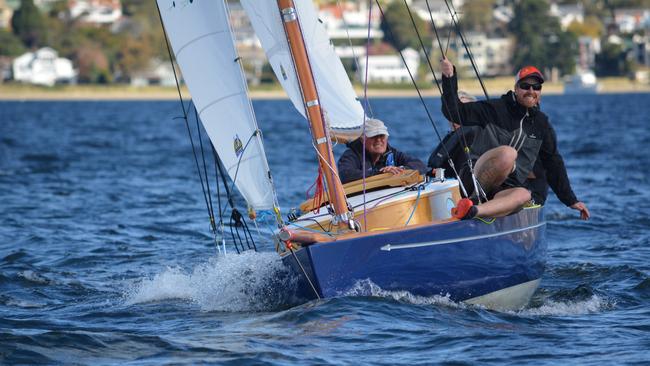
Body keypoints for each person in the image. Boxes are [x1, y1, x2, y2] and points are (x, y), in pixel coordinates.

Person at [440, 58, 589, 220]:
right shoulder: (494, 109)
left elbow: (553, 162)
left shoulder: (542, 124)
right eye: (525, 86)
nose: (531, 91)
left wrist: (571, 200)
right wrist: (449, 78)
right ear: (516, 89)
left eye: (536, 87)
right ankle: (474, 197)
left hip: (504, 188)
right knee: (508, 154)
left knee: (524, 195)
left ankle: (473, 211)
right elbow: (454, 112)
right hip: (475, 176)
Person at [337, 118, 427, 184]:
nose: (379, 140)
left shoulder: (391, 153)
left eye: (382, 136)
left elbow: (420, 165)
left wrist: (400, 169)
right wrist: (380, 172)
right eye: (374, 136)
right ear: (362, 139)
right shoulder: (351, 155)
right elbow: (346, 175)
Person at [428, 91, 481, 178]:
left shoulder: (477, 137)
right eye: (453, 112)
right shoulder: (453, 138)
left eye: (463, 111)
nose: (456, 116)